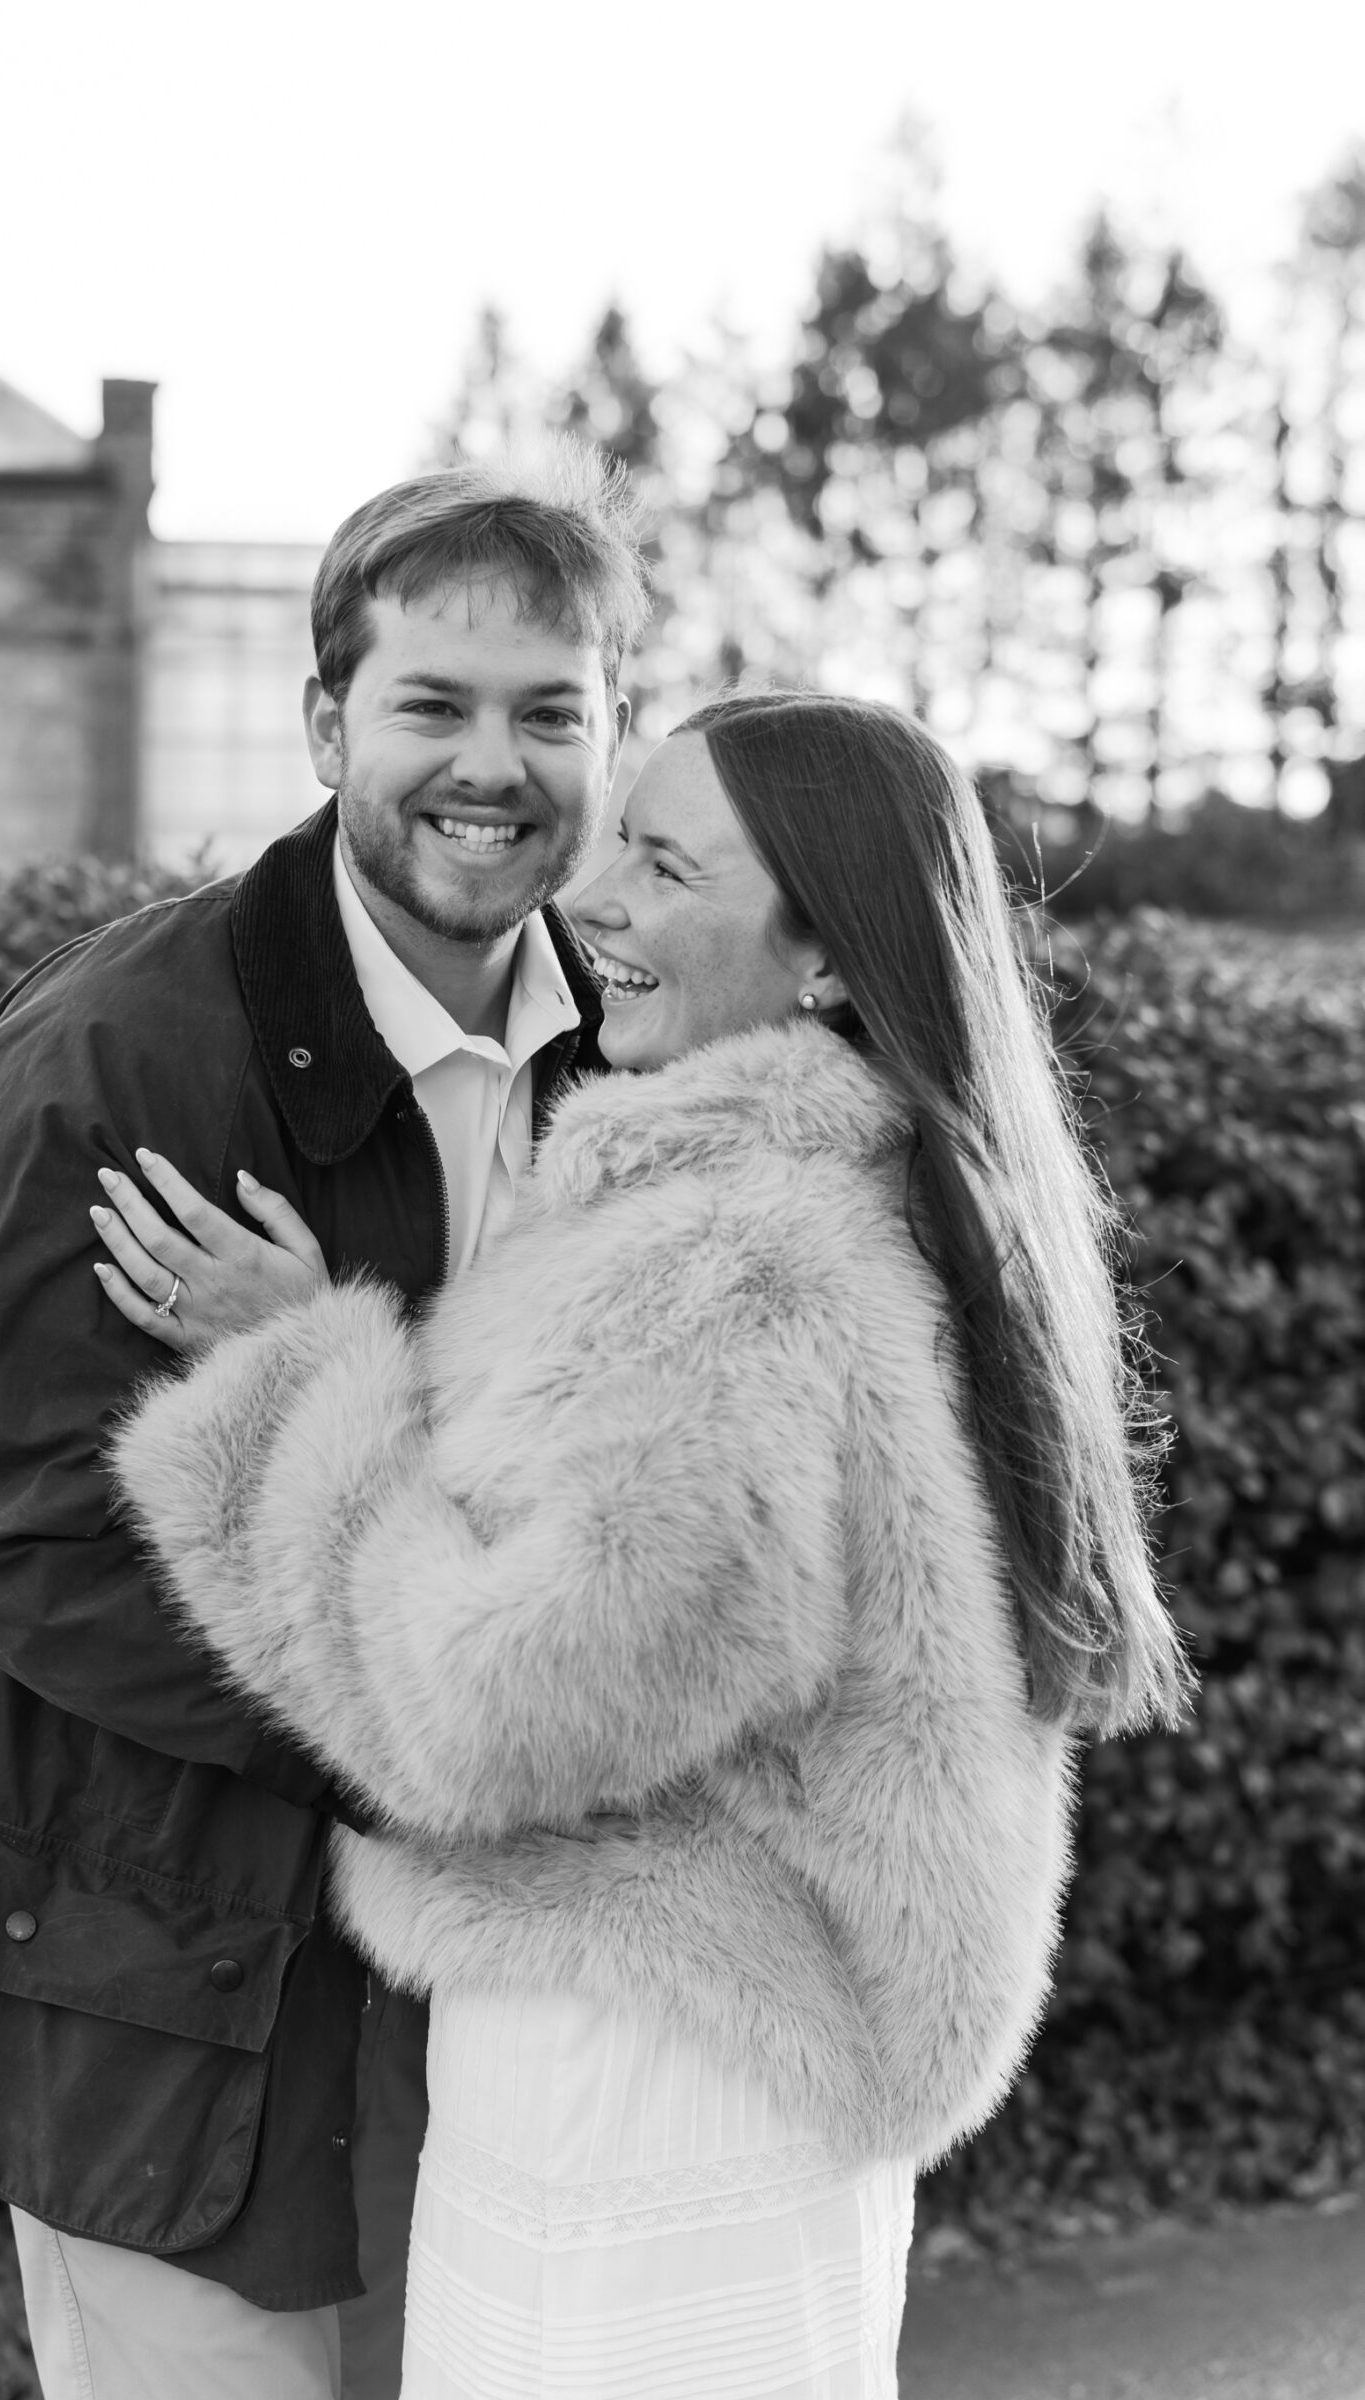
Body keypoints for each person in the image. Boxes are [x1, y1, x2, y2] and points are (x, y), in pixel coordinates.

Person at [97, 692, 1192, 2399]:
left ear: (823, 956)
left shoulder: (719, 1255)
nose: (587, 896)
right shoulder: (899, 1191)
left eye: (662, 863)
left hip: (643, 2043)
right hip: (760, 2036)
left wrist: (290, 1374)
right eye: (617, 840)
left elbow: (489, 1715)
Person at [0, 442, 648, 2400]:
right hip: (166, 1993)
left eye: (550, 712)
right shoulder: (117, 1061)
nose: (495, 766)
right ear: (323, 722)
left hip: (506, 2001)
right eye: (432, 706)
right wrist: (430, 1729)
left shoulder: (646, 1055)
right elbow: (14, 1542)